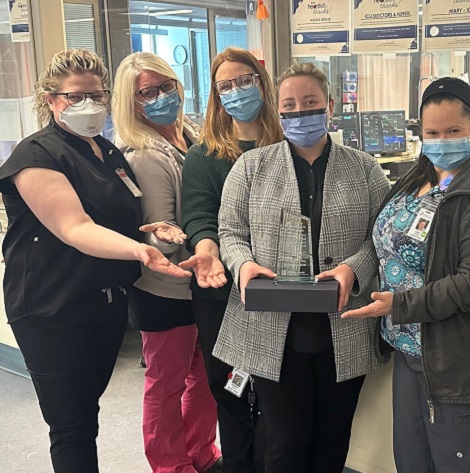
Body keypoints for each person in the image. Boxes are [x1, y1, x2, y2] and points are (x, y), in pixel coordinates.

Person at [0, 48, 189, 473]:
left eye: (96, 96)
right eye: (74, 97)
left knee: (89, 413)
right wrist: (139, 251)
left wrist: (153, 230)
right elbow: (76, 227)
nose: (89, 105)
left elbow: (123, 216)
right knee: (72, 427)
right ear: (50, 100)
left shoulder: (107, 152)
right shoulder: (36, 156)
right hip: (51, 308)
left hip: (104, 303)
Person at [343, 77, 470, 473]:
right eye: (431, 132)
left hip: (462, 360)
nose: (441, 141)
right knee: (412, 462)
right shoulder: (418, 176)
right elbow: (386, 239)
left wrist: (400, 304)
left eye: (453, 131)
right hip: (413, 352)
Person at [215, 62, 390, 473]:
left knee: (333, 439)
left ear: (329, 105)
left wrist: (353, 268)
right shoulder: (251, 168)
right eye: (289, 106)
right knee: (283, 442)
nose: (300, 114)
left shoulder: (364, 169)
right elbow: (230, 231)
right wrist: (242, 266)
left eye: (310, 104)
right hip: (274, 329)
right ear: (277, 111)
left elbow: (381, 236)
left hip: (343, 325)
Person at [112, 52, 223, 473]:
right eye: (147, 92)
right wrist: (172, 235)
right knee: (167, 384)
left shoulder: (190, 136)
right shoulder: (144, 154)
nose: (161, 97)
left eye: (166, 86)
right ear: (132, 101)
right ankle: (169, 465)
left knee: (203, 377)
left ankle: (200, 453)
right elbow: (162, 229)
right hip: (166, 290)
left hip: (198, 284)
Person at [181, 46, 283, 473]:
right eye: (226, 86)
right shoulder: (205, 155)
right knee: (232, 392)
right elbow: (199, 218)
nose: (237, 91)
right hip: (223, 294)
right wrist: (207, 253)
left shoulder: (289, 145)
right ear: (215, 96)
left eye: (245, 81)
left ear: (262, 83)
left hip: (279, 289)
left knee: (279, 397)